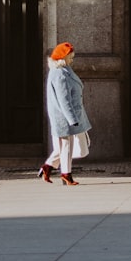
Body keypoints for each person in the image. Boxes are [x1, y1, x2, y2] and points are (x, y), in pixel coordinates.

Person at [39, 42, 92, 186]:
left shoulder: (64, 70)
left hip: (70, 115)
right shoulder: (59, 74)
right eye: (70, 57)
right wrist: (72, 119)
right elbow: (64, 100)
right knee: (66, 147)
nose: (72, 60)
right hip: (65, 117)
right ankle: (66, 174)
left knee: (63, 147)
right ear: (63, 58)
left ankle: (48, 168)